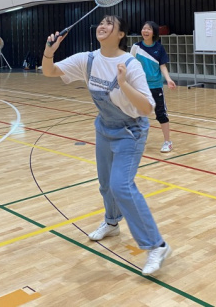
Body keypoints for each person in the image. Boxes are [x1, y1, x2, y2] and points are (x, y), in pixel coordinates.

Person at [42, 15, 172, 276]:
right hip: (104, 128)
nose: (103, 26)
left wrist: (122, 84)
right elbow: (50, 71)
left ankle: (156, 245)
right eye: (101, 23)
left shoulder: (131, 65)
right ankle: (112, 223)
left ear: (121, 34)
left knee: (121, 186)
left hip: (130, 131)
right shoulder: (88, 59)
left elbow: (147, 108)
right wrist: (49, 51)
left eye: (110, 24)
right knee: (105, 184)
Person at [130, 21, 177, 152]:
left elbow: (162, 65)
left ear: (154, 33)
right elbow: (130, 64)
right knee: (137, 113)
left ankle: (167, 142)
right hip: (139, 86)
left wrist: (168, 79)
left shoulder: (159, 48)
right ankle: (138, 139)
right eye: (144, 28)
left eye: (149, 29)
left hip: (155, 86)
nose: (145, 31)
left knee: (161, 114)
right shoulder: (136, 47)